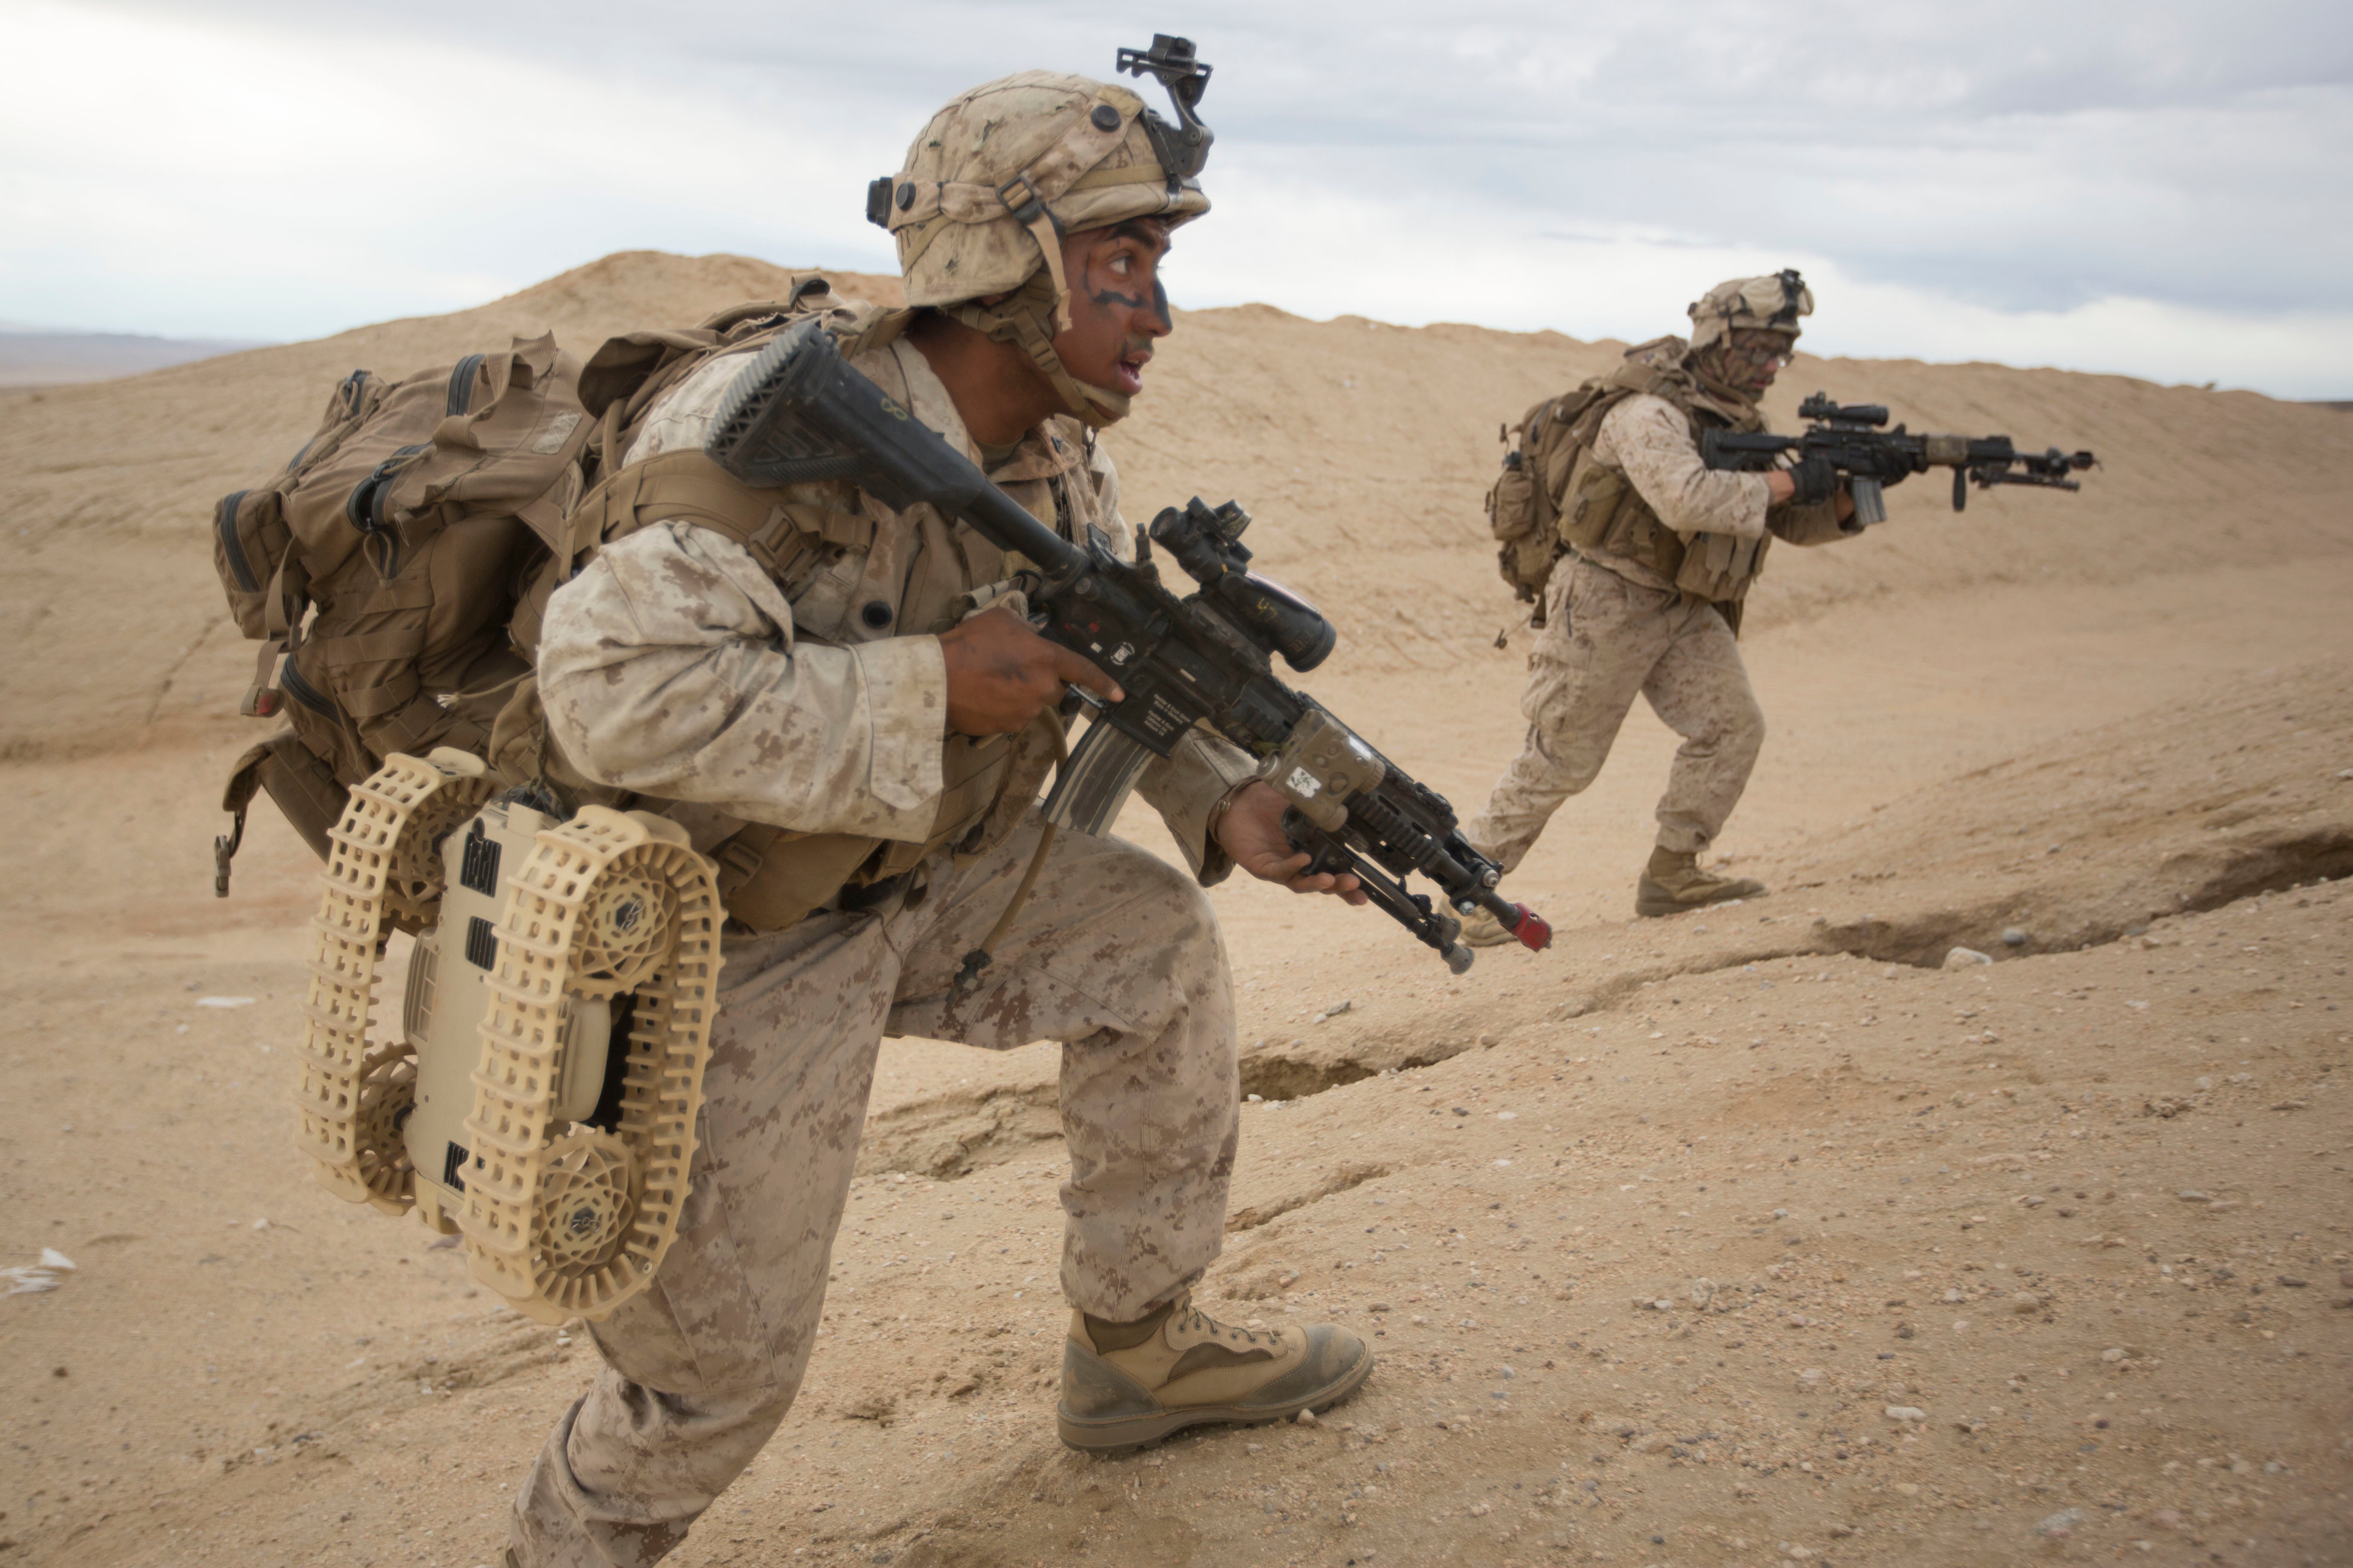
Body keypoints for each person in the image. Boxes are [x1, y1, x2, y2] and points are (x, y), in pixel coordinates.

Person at [506, 64, 1373, 1568]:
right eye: (1123, 266)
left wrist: (1219, 802)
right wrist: (924, 689)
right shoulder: (774, 431)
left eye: (1155, 269)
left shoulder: (1049, 440)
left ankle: (1135, 1349)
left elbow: (1089, 653)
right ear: (1004, 265)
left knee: (1153, 943)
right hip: (732, 936)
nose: (1154, 313)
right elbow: (609, 697)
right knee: (714, 1383)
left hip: (921, 882)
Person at [1460, 271, 1887, 936]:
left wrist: (1846, 495)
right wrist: (1786, 479)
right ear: (1716, 339)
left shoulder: (1740, 424)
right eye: (1756, 349)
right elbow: (1687, 498)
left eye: (1782, 351)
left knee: (1731, 726)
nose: (1771, 365)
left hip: (1684, 605)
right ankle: (1466, 889)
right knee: (1561, 759)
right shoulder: (1647, 412)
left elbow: (1787, 523)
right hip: (1606, 600)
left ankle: (1674, 873)